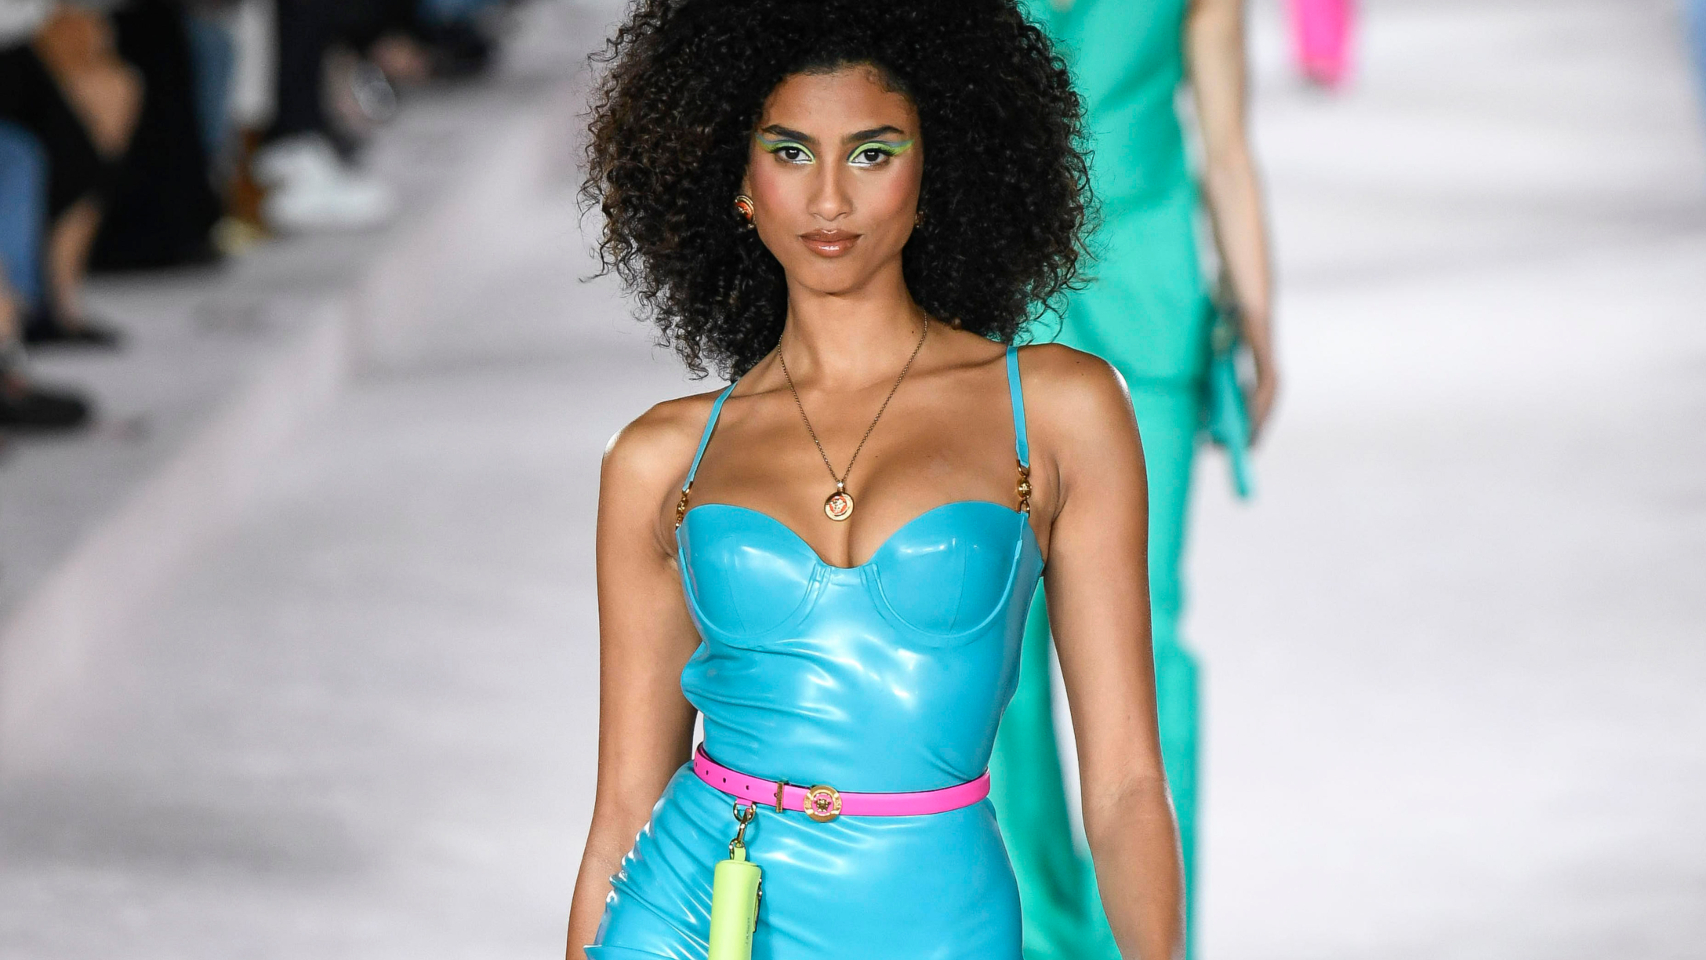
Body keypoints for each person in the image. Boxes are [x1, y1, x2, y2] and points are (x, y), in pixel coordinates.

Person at [566, 2, 1183, 958]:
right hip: (690, 916)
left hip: (940, 922)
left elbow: (1126, 784)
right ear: (737, 177)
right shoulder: (660, 458)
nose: (828, 200)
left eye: (871, 153)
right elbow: (621, 810)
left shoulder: (1059, 410)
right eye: (789, 152)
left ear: (938, 169)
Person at [990, 1, 1278, 958]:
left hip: (990, 302)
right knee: (1145, 632)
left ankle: (1039, 932)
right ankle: (1147, 941)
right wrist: (1256, 312)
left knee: (996, 633)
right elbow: (1225, 145)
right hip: (1144, 296)